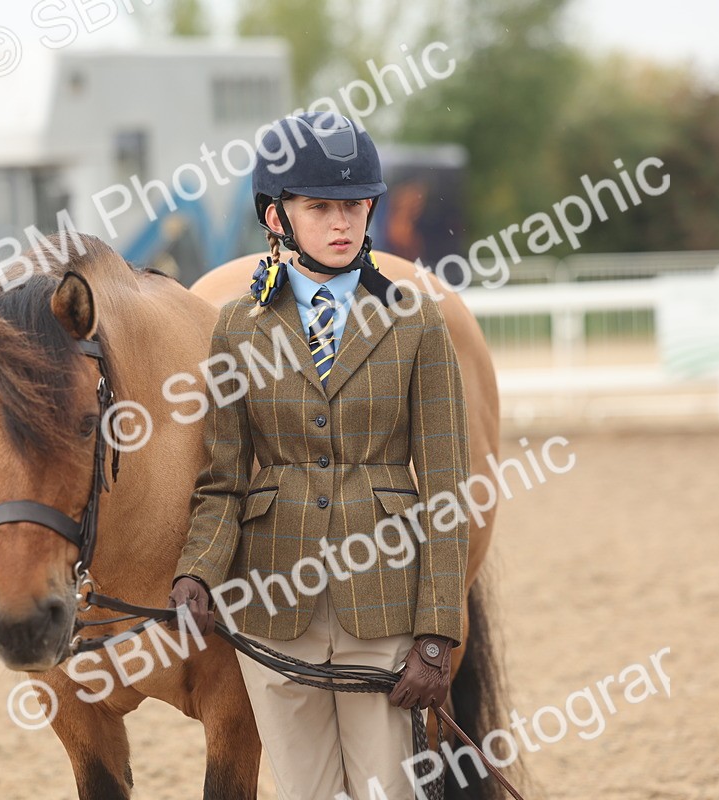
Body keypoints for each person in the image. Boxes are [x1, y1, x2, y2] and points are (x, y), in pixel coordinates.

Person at [167, 111, 472, 799]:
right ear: (276, 216)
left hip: (386, 607)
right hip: (276, 606)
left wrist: (436, 632)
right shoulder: (238, 328)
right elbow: (223, 479)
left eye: (355, 205)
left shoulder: (415, 320)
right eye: (321, 207)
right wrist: (196, 572)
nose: (343, 222)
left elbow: (449, 486)